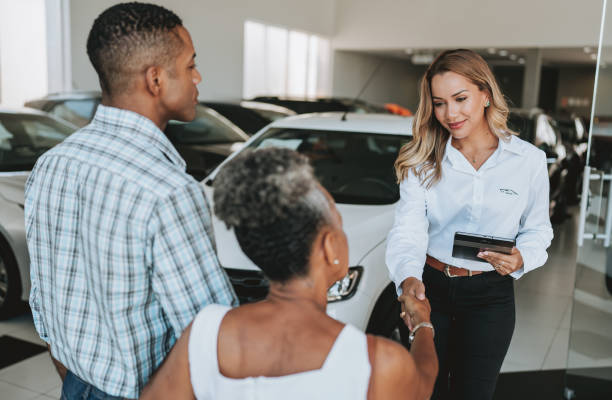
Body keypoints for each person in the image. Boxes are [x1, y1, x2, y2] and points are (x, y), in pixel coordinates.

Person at [24, 2, 237, 399]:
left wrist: (78, 379)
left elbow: (46, 298)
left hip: (74, 383)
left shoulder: (53, 163)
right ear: (155, 79)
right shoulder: (168, 191)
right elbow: (213, 344)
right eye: (191, 65)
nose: (198, 77)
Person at [140, 148, 438, 400]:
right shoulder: (377, 361)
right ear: (328, 245)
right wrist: (421, 324)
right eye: (337, 220)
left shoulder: (206, 332)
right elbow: (422, 382)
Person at [386, 49, 553, 400]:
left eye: (460, 99)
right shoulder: (422, 160)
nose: (450, 113)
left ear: (485, 94)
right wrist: (408, 278)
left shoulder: (529, 161)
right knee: (425, 391)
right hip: (429, 288)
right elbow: (408, 230)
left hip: (490, 296)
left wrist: (523, 257)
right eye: (440, 103)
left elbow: (539, 229)